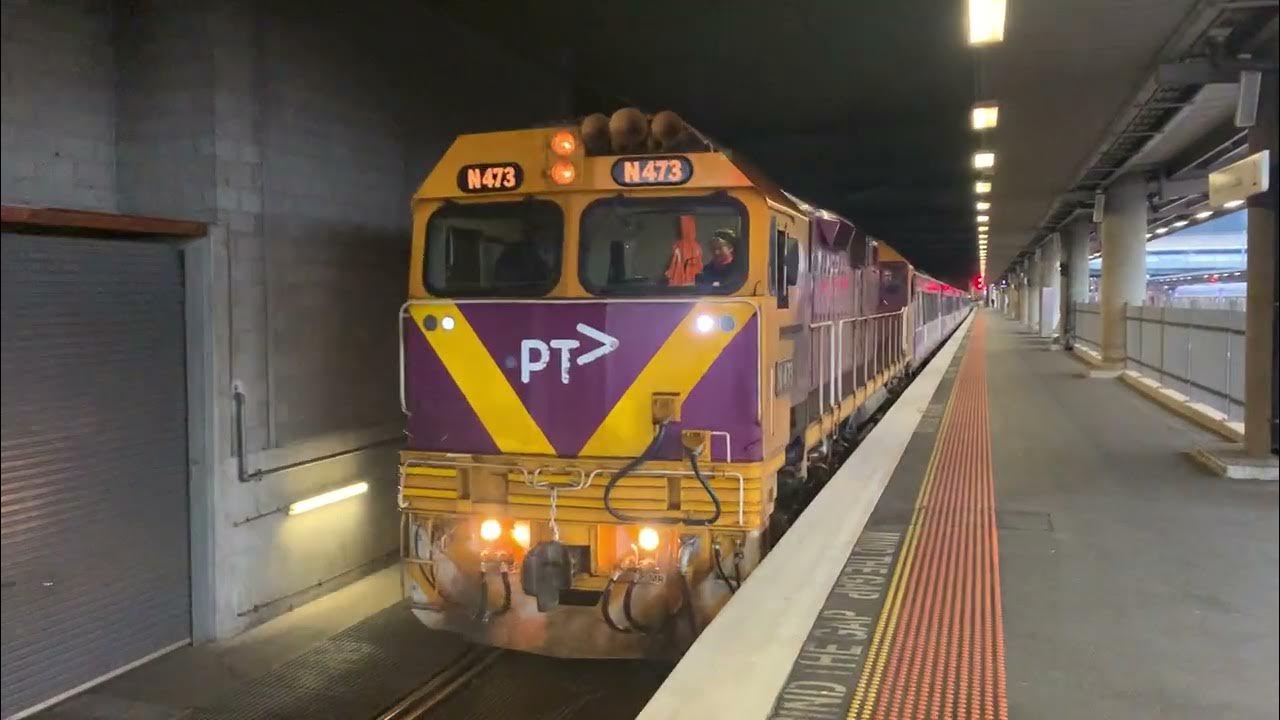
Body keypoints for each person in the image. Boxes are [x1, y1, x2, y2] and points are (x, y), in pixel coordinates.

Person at [663, 214, 704, 286]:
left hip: (683, 284)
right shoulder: (697, 246)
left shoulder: (679, 246)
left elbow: (674, 264)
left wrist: (670, 273)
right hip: (691, 284)